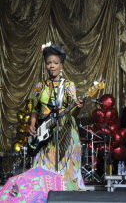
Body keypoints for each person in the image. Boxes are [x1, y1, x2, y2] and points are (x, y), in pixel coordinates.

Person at [29, 43, 85, 191]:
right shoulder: (39, 86)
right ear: (45, 65)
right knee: (43, 162)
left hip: (65, 130)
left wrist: (77, 107)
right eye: (49, 63)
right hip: (45, 131)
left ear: (61, 65)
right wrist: (33, 124)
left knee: (66, 163)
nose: (51, 66)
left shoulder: (68, 85)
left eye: (55, 63)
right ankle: (44, 191)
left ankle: (66, 192)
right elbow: (35, 108)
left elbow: (73, 111)